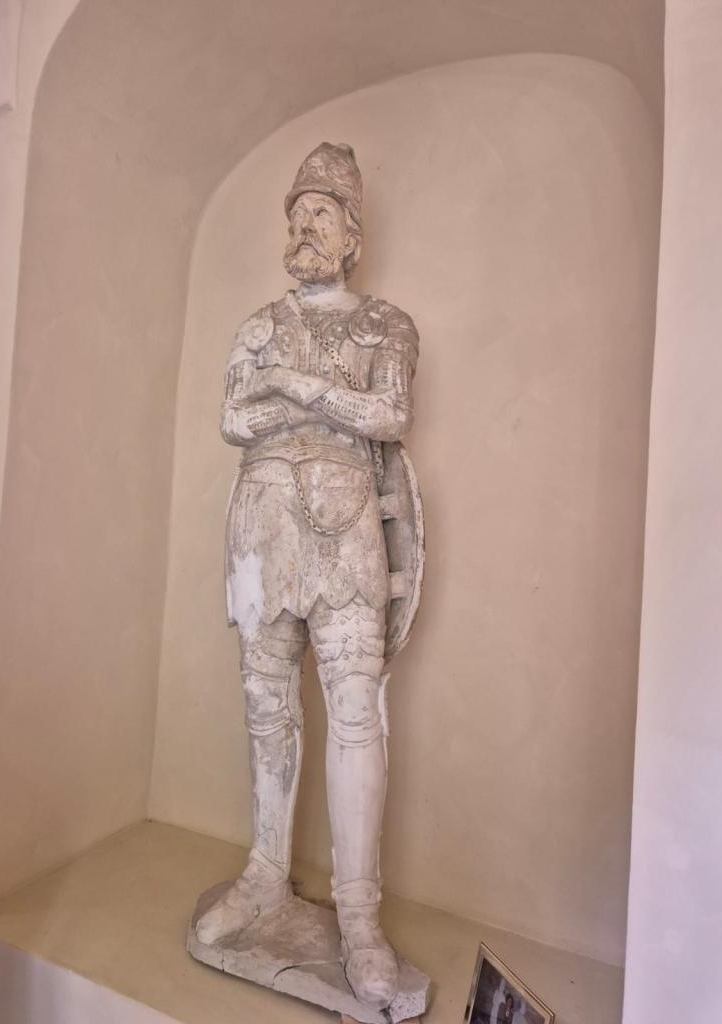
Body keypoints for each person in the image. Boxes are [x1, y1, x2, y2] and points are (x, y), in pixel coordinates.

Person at [194, 142, 420, 1010]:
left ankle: (359, 917)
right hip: (263, 520)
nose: (305, 227)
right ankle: (265, 873)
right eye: (297, 214)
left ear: (353, 234)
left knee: (355, 708)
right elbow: (231, 417)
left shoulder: (386, 325)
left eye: (321, 213)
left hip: (346, 515)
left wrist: (290, 385)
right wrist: (305, 396)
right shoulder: (258, 323)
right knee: (266, 699)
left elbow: (388, 414)